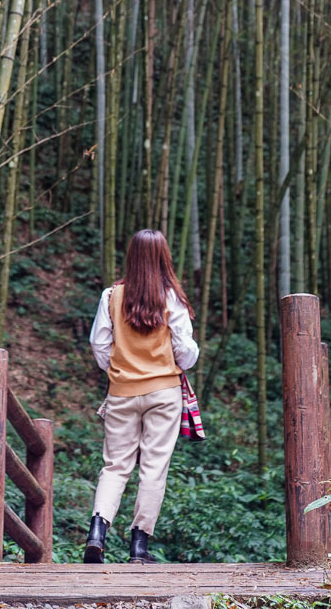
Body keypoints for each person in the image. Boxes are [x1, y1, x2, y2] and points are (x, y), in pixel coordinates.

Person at [84, 228, 199, 564]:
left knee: (115, 466)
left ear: (131, 256)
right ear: (163, 257)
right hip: (164, 393)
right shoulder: (171, 297)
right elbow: (185, 350)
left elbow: (99, 343)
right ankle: (139, 547)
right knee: (153, 468)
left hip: (121, 392)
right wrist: (180, 360)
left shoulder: (111, 295)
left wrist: (119, 369)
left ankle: (97, 532)